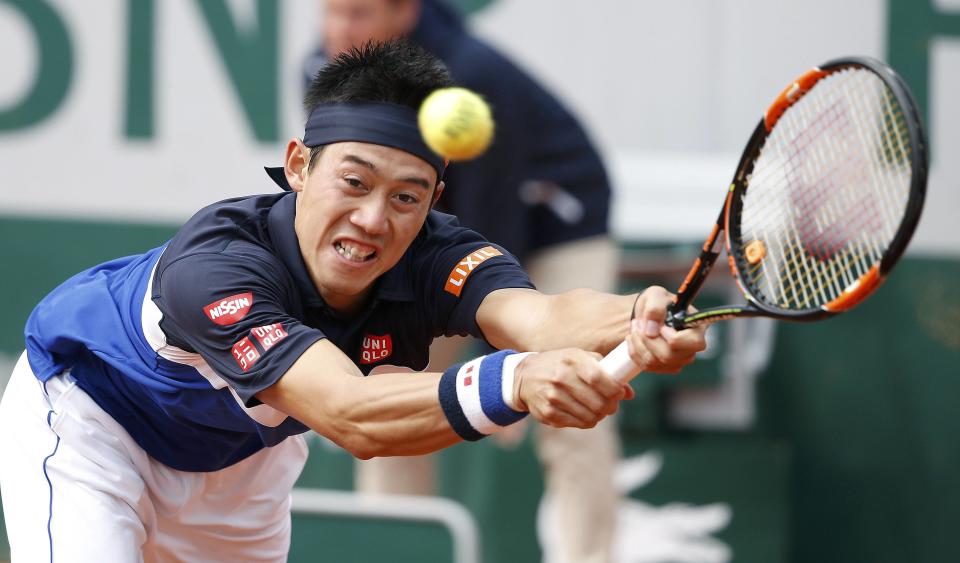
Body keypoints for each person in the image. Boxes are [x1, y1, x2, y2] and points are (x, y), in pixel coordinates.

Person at [0, 41, 705, 561]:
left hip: (241, 467)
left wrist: (642, 313)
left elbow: (542, 317)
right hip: (92, 427)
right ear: (300, 165)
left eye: (406, 196)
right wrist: (516, 378)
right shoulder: (216, 266)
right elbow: (350, 415)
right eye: (354, 182)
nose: (374, 219)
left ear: (434, 198)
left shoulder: (437, 252)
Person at [305, 2, 623, 561]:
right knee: (390, 386)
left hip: (553, 233)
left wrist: (497, 353)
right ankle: (389, 549)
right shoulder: (320, 67)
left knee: (577, 404)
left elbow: (494, 222)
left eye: (357, 13)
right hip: (427, 227)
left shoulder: (473, 77)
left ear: (406, 11)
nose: (338, 30)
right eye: (330, 11)